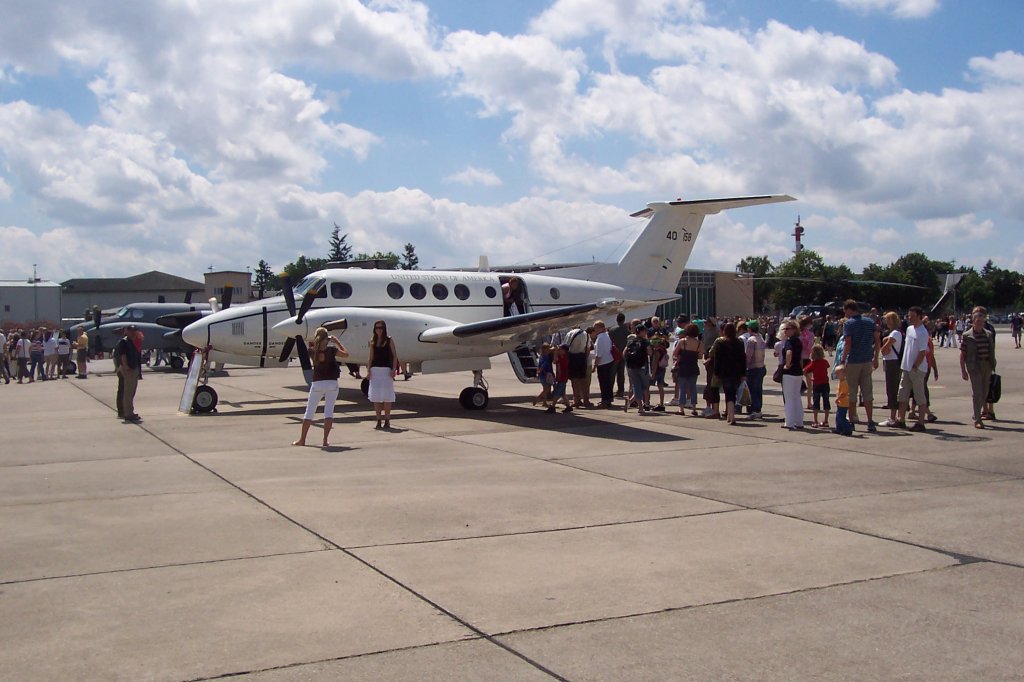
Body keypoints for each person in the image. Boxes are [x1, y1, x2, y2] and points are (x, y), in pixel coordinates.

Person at [293, 327, 349, 447]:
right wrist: (337, 342)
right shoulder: (332, 350)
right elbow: (346, 354)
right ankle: (325, 440)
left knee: (309, 411)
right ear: (327, 338)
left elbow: (312, 348)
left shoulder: (312, 351)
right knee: (328, 412)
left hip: (318, 383)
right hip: (332, 383)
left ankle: (302, 440)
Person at [840, 299, 880, 432]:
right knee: (867, 392)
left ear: (849, 309)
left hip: (853, 361)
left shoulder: (849, 324)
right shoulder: (870, 322)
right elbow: (877, 339)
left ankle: (851, 420)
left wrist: (842, 360)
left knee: (852, 392)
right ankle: (870, 421)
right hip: (867, 360)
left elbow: (848, 343)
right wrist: (875, 357)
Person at [895, 306, 930, 432]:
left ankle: (921, 423)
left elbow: (922, 352)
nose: (910, 318)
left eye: (913, 316)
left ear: (920, 317)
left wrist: (915, 366)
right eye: (909, 316)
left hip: (917, 369)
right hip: (906, 367)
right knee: (902, 394)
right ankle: (901, 419)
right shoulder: (909, 329)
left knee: (919, 395)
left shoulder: (922, 332)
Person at [960, 309, 996, 429]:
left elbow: (991, 350)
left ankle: (976, 413)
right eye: (978, 321)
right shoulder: (967, 336)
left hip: (987, 365)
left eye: (982, 321)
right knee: (977, 393)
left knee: (985, 392)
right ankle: (978, 419)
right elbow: (962, 354)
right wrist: (963, 370)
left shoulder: (988, 334)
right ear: (973, 321)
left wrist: (993, 364)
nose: (980, 323)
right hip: (974, 366)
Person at [711, 322, 746, 425]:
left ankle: (730, 415)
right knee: (733, 394)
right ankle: (732, 414)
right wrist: (743, 373)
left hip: (725, 372)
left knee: (728, 393)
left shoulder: (721, 343)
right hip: (737, 371)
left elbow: (717, 359)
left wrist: (716, 372)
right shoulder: (739, 342)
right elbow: (743, 359)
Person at [367, 320, 400, 429]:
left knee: (387, 397)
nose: (379, 330)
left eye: (380, 328)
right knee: (376, 397)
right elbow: (371, 357)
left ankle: (387, 420)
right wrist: (368, 370)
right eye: (377, 328)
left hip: (386, 370)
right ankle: (378, 420)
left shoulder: (389, 340)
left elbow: (394, 355)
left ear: (384, 328)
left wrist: (394, 369)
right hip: (375, 370)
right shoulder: (372, 340)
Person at [780, 319, 804, 429]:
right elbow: (800, 357)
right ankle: (799, 422)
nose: (785, 331)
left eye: (787, 329)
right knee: (796, 397)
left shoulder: (789, 341)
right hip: (798, 372)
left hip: (789, 372)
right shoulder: (798, 341)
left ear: (794, 330)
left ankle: (789, 422)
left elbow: (789, 353)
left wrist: (787, 364)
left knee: (789, 397)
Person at [879, 311, 903, 426]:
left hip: (892, 362)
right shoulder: (893, 333)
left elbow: (884, 349)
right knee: (892, 388)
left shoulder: (895, 333)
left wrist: (884, 343)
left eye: (889, 320)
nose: (887, 322)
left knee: (892, 389)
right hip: (890, 362)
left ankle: (893, 417)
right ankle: (895, 415)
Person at [673, 323, 701, 416]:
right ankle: (694, 408)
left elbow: (675, 353)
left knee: (682, 388)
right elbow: (700, 356)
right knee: (693, 388)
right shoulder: (699, 343)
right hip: (693, 367)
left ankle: (681, 408)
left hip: (683, 367)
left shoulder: (682, 341)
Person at [116, 326, 142, 422]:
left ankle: (130, 411)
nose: (133, 333)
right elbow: (123, 355)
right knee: (128, 392)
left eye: (134, 331)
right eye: (131, 331)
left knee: (131, 392)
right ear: (126, 331)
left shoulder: (131, 341)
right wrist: (126, 366)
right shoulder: (124, 342)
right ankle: (128, 414)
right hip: (128, 369)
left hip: (133, 368)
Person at [623, 328, 651, 414]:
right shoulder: (645, 342)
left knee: (636, 386)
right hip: (642, 366)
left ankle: (639, 406)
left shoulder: (631, 341)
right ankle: (643, 404)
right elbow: (649, 352)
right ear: (642, 332)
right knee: (645, 387)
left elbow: (624, 353)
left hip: (632, 367)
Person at [804, 344, 831, 428]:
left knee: (816, 402)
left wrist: (809, 378)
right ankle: (826, 420)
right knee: (826, 401)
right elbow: (828, 366)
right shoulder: (825, 362)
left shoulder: (813, 363)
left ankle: (815, 421)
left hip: (817, 384)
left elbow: (805, 370)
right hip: (825, 383)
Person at [744, 320, 766, 420]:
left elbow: (748, 356)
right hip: (761, 366)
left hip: (753, 368)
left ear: (750, 329)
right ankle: (758, 409)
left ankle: (755, 410)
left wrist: (744, 366)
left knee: (752, 390)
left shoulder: (751, 340)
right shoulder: (761, 338)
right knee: (758, 389)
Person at [564, 325, 590, 408]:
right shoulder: (586, 334)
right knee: (583, 380)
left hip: (573, 357)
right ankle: (586, 400)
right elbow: (588, 348)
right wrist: (585, 359)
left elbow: (565, 347)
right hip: (582, 357)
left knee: (574, 380)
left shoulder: (570, 333)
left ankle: (577, 400)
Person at [592, 321, 615, 409]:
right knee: (608, 382)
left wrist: (595, 366)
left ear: (600, 328)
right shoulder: (606, 335)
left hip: (603, 363)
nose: (595, 330)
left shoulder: (600, 338)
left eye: (596, 328)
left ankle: (605, 401)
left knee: (603, 383)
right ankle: (608, 399)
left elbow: (599, 354)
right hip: (609, 360)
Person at [547, 343, 573, 413]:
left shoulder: (563, 358)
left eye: (560, 349)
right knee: (562, 394)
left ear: (564, 351)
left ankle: (552, 406)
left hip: (562, 378)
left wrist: (555, 350)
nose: (559, 350)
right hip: (563, 377)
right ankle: (568, 406)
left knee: (556, 393)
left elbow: (555, 361)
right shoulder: (563, 357)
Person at [609, 313, 629, 398]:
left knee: (612, 373)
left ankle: (610, 390)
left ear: (616, 320)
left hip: (614, 354)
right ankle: (621, 391)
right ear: (624, 320)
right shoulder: (627, 330)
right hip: (623, 354)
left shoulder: (612, 329)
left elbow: (609, 342)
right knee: (621, 374)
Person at [832, 364, 853, 436]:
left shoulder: (844, 383)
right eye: (836, 373)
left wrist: (838, 398)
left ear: (844, 374)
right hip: (840, 403)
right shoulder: (840, 381)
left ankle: (848, 429)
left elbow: (843, 394)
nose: (836, 375)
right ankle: (839, 428)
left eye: (838, 373)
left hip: (843, 403)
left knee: (841, 417)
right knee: (838, 416)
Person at [535, 343, 554, 408]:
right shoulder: (545, 357)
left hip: (544, 374)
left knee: (546, 389)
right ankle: (537, 399)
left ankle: (544, 402)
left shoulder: (542, 356)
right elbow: (543, 365)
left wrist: (538, 372)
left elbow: (539, 365)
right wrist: (540, 371)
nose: (549, 350)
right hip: (545, 374)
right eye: (548, 349)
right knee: (546, 389)